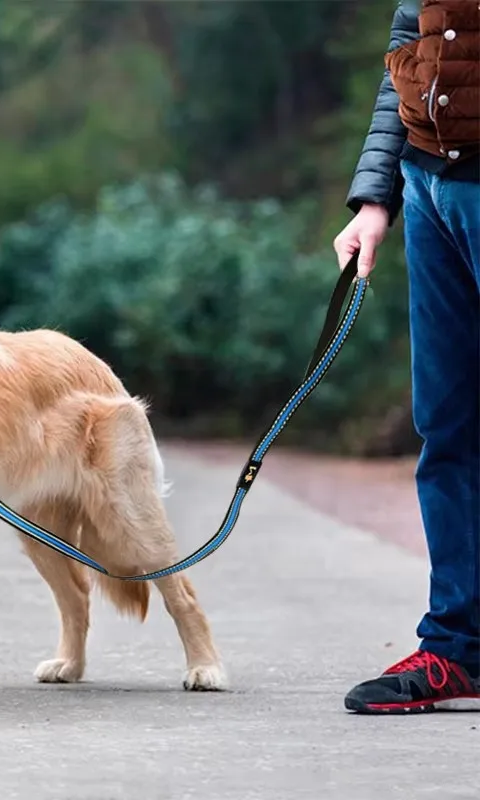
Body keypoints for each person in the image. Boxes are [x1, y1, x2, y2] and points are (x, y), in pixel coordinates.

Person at [333, 0, 479, 714]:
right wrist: (376, 197)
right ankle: (456, 648)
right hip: (429, 187)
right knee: (447, 430)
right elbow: (410, 40)